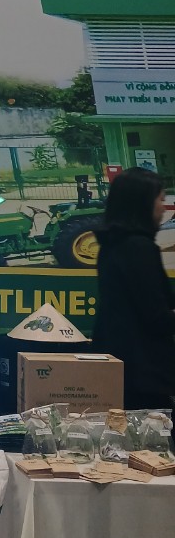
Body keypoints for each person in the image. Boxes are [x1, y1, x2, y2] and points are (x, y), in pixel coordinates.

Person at [92, 166, 175, 411]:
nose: (163, 208)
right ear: (142, 203)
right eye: (160, 200)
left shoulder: (112, 244)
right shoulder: (139, 248)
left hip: (118, 367)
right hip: (143, 373)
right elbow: (156, 317)